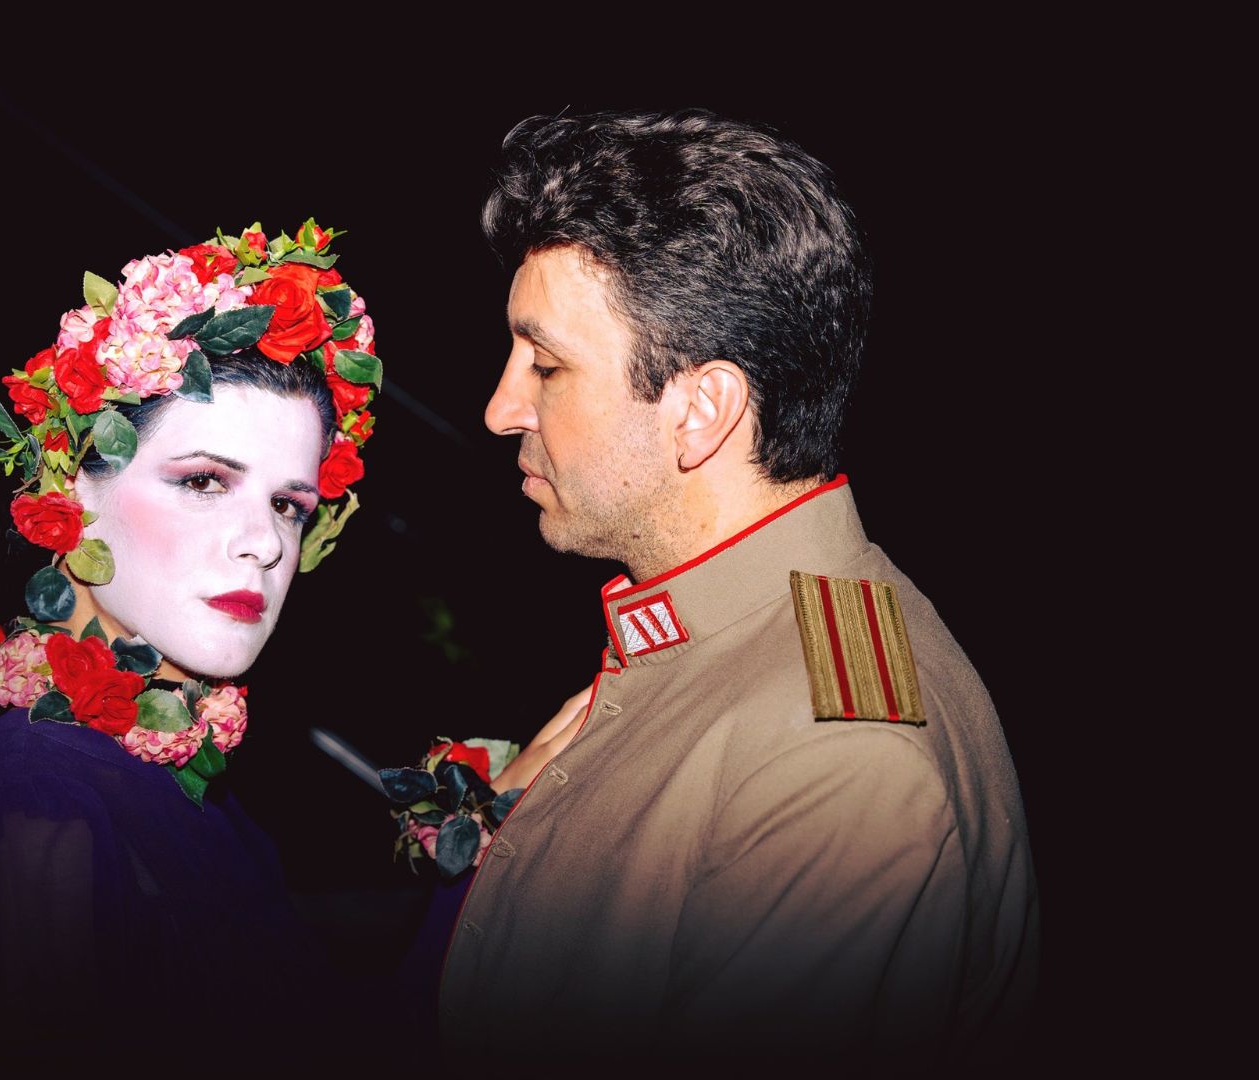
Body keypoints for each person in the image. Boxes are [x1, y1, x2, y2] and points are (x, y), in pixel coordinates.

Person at [436, 111, 1040, 1067]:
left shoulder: (838, 760)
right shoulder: (739, 627)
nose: (502, 408)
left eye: (547, 365)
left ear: (701, 409)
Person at [0, 221, 379, 1060]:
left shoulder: (176, 783)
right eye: (204, 481)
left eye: (288, 505)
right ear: (71, 489)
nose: (264, 543)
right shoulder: (37, 807)